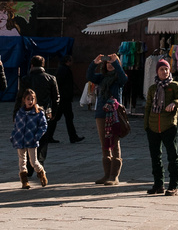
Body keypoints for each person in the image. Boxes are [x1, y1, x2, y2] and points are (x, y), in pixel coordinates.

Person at [144, 58, 178, 196]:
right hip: (153, 127)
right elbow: (147, 108)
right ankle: (158, 184)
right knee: (155, 157)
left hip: (169, 126)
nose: (164, 72)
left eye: (166, 69)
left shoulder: (175, 86)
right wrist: (146, 125)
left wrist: (175, 103)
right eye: (161, 69)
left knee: (172, 156)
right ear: (157, 71)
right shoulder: (153, 88)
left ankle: (173, 185)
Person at [86, 52, 127, 186]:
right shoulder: (101, 77)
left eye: (112, 63)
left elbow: (124, 79)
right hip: (101, 113)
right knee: (104, 144)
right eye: (107, 63)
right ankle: (106, 174)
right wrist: (95, 62)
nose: (109, 65)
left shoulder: (119, 78)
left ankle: (114, 176)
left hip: (114, 114)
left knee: (114, 143)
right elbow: (89, 76)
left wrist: (116, 62)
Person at [14, 55, 59, 172]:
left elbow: (19, 97)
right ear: (43, 65)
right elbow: (56, 98)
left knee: (28, 137)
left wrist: (15, 113)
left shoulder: (26, 79)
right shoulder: (51, 78)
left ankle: (30, 165)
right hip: (44, 113)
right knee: (43, 139)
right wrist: (54, 112)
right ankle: (39, 162)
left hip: (28, 114)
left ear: (32, 65)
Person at [11, 89, 48, 189]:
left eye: (32, 99)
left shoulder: (38, 113)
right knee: (22, 161)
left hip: (32, 140)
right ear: (24, 100)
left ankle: (41, 173)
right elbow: (16, 126)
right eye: (28, 99)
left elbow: (43, 126)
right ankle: (24, 181)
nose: (30, 101)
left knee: (33, 161)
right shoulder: (20, 113)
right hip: (20, 140)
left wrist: (37, 136)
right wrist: (13, 136)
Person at [45, 55, 84, 145]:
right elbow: (59, 83)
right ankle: (72, 137)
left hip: (63, 98)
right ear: (68, 61)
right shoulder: (64, 70)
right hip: (64, 98)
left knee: (60, 118)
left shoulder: (62, 69)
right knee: (65, 118)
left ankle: (50, 136)